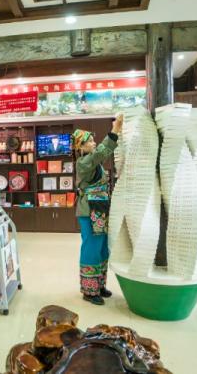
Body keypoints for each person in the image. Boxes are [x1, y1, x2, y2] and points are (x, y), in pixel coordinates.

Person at [73, 114, 123, 305]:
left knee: (102, 249)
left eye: (93, 140)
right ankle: (89, 290)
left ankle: (99, 285)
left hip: (100, 209)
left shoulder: (94, 163)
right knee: (91, 248)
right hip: (89, 211)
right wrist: (115, 130)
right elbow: (101, 152)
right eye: (89, 141)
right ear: (80, 147)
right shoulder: (83, 162)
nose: (93, 143)